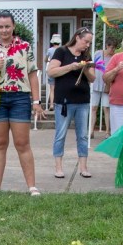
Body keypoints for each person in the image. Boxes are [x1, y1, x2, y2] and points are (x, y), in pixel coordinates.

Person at [0, 11, 44, 196]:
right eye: (1, 27)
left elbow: (33, 74)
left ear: (13, 26)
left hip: (19, 98)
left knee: (22, 143)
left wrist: (36, 101)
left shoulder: (24, 47)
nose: (4, 30)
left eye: (7, 26)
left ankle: (32, 187)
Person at [47, 27, 94, 179]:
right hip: (64, 101)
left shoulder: (86, 55)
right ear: (77, 38)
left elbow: (92, 78)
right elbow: (51, 71)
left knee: (83, 136)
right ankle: (58, 167)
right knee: (60, 134)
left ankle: (83, 167)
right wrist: (70, 67)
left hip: (82, 101)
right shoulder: (61, 51)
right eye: (86, 41)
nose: (87, 45)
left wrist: (85, 68)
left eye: (89, 43)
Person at [90, 38, 116, 135]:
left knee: (106, 108)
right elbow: (92, 66)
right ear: (107, 46)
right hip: (96, 84)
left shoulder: (113, 57)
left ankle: (107, 131)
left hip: (106, 85)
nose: (112, 50)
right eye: (111, 48)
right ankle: (91, 131)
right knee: (93, 107)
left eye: (114, 48)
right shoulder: (98, 54)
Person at [44, 33, 62, 110]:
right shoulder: (62, 50)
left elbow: (45, 59)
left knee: (52, 89)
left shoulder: (50, 50)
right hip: (60, 71)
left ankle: (51, 105)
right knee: (60, 88)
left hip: (52, 70)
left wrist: (49, 60)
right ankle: (59, 104)